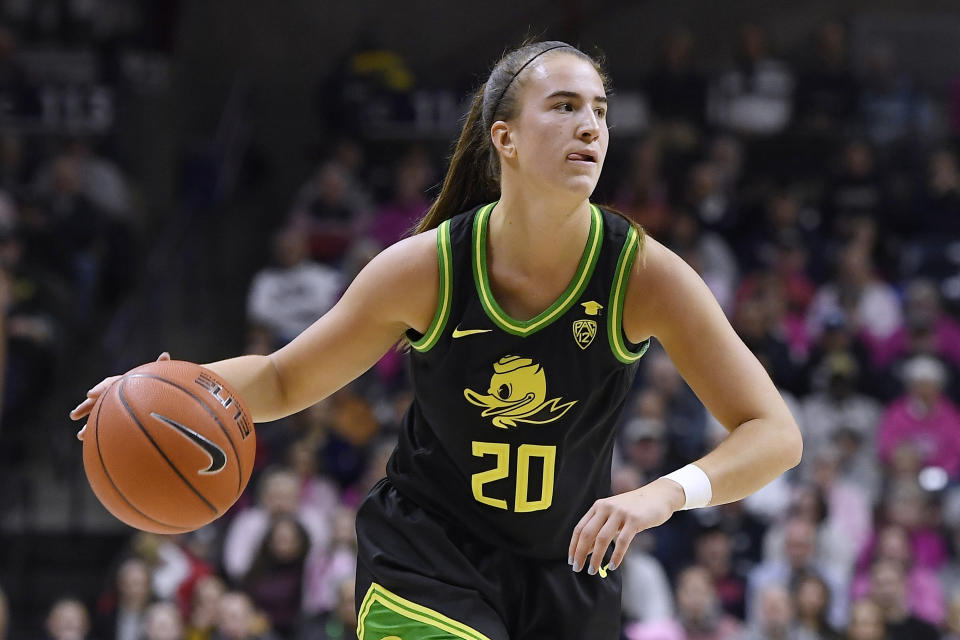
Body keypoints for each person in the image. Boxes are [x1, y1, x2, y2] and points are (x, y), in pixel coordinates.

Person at [72, 40, 802, 640]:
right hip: (428, 555)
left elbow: (773, 433)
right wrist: (167, 393)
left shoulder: (641, 273)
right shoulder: (428, 268)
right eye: (565, 106)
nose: (591, 126)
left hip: (568, 575)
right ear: (504, 138)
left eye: (600, 112)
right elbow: (287, 379)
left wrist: (661, 496)